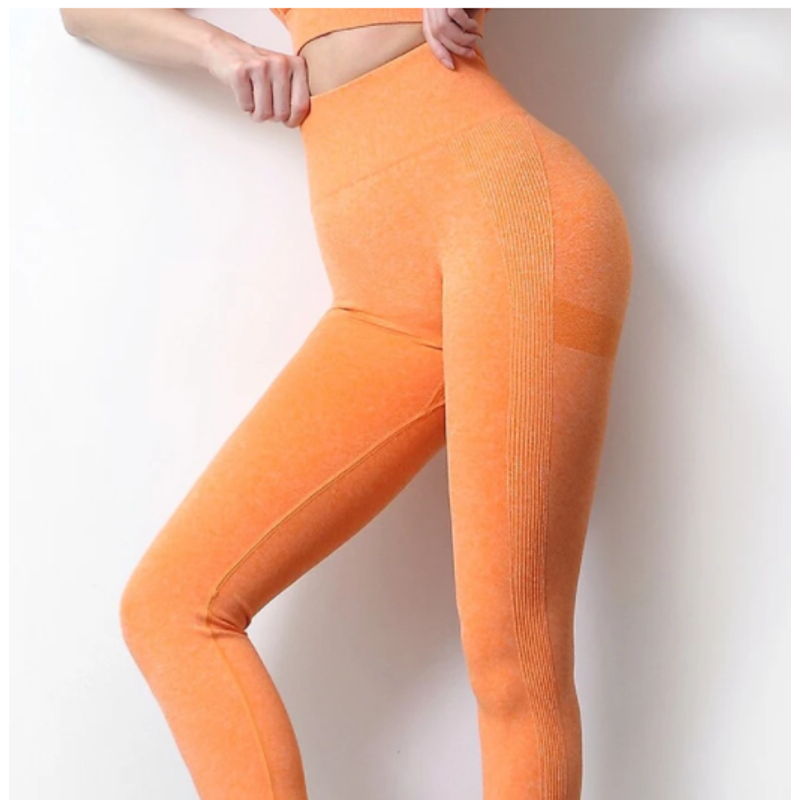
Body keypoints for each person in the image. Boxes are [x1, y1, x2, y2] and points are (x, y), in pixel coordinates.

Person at [60, 8, 632, 800]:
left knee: (513, 654)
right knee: (173, 605)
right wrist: (219, 50)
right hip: (377, 288)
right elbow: (82, 11)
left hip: (509, 210)